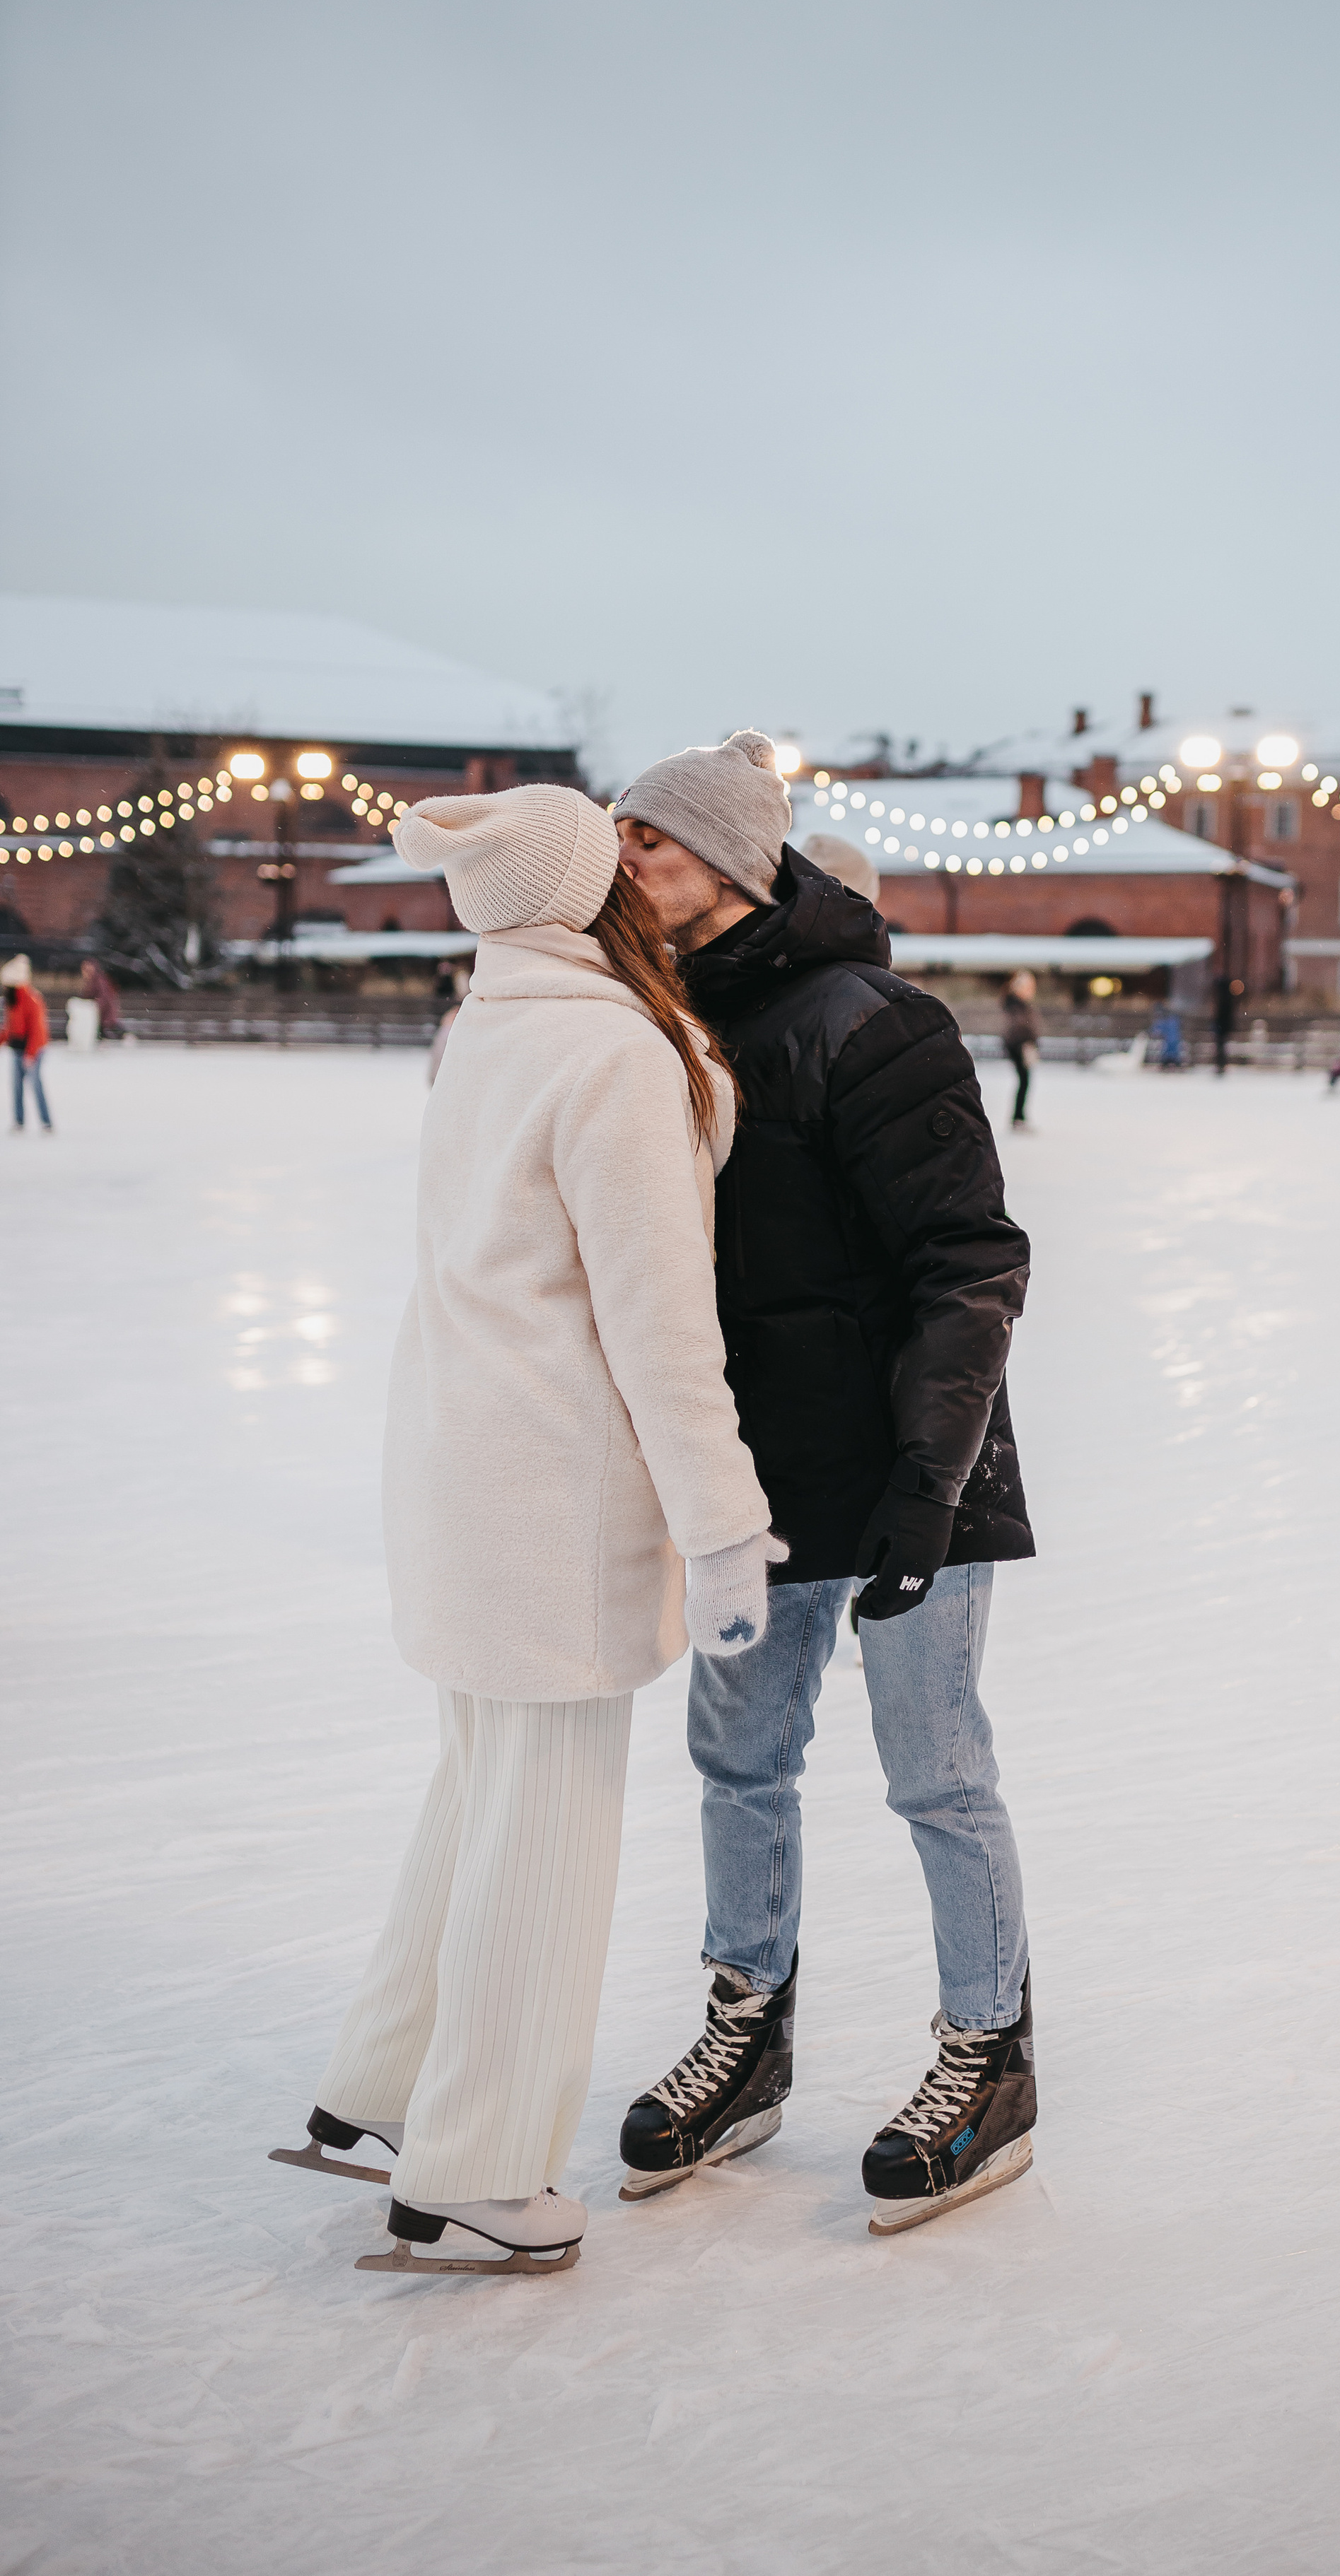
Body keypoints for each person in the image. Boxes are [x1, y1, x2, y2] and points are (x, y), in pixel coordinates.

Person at [271, 783, 777, 2276]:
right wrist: (723, 1526)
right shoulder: (614, 1054)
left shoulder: (483, 1027)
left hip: (453, 1470)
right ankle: (479, 2166)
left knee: (476, 1793)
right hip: (549, 1498)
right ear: (585, 894)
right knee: (543, 1831)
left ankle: (378, 2090)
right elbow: (658, 1324)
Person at [610, 731, 1037, 2236]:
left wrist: (926, 1490)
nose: (622, 866)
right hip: (757, 1487)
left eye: (646, 845)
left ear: (726, 863)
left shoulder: (876, 1021)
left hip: (912, 1473)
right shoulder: (658, 1026)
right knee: (737, 1766)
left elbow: (969, 1262)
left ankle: (987, 2057)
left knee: (932, 1773)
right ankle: (751, 2030)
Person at [2, 956, 53, 1134]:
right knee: (16, 1086)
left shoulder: (32, 999)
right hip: (17, 1049)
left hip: (33, 1049)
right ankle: (19, 1121)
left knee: (36, 1085)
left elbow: (38, 1031)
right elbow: (11, 1028)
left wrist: (31, 1054)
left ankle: (46, 1122)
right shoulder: (12, 1001)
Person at [1001, 968, 1042, 1127]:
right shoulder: (1015, 1005)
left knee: (1025, 1081)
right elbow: (1019, 1026)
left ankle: (1019, 1116)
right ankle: (1018, 1117)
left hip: (1022, 1045)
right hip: (1018, 1045)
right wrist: (1027, 1041)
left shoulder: (1020, 1004)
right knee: (1024, 1080)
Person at [78, 957, 122, 1038]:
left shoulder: (99, 980)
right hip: (100, 1018)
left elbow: (104, 998)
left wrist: (93, 1006)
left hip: (104, 1018)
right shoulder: (91, 982)